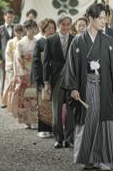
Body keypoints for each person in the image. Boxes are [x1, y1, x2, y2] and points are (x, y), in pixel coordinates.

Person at [63, 3, 113, 170]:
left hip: (104, 87)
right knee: (87, 121)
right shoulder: (78, 41)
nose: (103, 21)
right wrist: (73, 88)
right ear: (90, 18)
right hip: (85, 87)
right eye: (100, 18)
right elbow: (71, 66)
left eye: (105, 18)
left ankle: (102, 158)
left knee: (104, 121)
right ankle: (87, 159)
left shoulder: (108, 41)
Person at [43, 16, 76, 148]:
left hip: (72, 79)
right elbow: (46, 62)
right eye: (63, 24)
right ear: (58, 25)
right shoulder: (50, 40)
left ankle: (69, 139)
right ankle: (58, 138)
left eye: (68, 25)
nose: (66, 27)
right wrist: (46, 82)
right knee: (56, 111)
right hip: (56, 79)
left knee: (71, 110)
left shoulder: (75, 39)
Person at [10, 19, 39, 129]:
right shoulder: (20, 43)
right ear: (26, 29)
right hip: (24, 73)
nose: (33, 30)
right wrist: (24, 69)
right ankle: (26, 121)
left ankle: (34, 120)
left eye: (34, 28)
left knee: (34, 97)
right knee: (25, 98)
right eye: (30, 28)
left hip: (35, 72)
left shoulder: (38, 41)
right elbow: (18, 58)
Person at [33, 18, 57, 138]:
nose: (51, 30)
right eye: (48, 28)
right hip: (43, 77)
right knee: (43, 103)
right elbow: (36, 62)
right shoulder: (40, 42)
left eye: (53, 28)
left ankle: (54, 127)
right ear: (43, 29)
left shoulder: (57, 40)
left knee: (54, 104)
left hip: (55, 77)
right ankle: (43, 129)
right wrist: (39, 79)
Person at [0, 8, 15, 104]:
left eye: (11, 17)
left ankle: (13, 99)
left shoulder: (16, 28)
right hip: (3, 58)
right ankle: (3, 99)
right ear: (4, 17)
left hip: (15, 58)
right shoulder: (0, 29)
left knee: (14, 78)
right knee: (3, 78)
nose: (10, 19)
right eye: (8, 17)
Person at [2, 23, 24, 110]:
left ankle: (17, 102)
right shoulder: (11, 42)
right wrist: (10, 65)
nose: (19, 34)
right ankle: (6, 101)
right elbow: (8, 54)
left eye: (20, 32)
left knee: (20, 85)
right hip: (12, 66)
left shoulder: (23, 41)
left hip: (21, 66)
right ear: (15, 32)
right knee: (9, 84)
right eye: (17, 32)